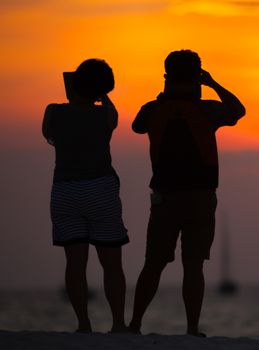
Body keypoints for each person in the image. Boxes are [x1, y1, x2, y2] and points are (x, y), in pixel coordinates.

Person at [128, 50, 245, 336]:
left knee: (153, 264)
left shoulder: (153, 109)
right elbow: (237, 110)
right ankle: (192, 329)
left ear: (167, 76)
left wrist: (164, 96)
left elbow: (136, 126)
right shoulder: (207, 110)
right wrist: (213, 84)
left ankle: (134, 325)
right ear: (197, 76)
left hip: (165, 197)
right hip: (201, 197)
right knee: (193, 266)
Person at [42, 59, 129, 333]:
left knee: (75, 264)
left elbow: (48, 135)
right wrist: (102, 95)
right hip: (100, 189)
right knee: (112, 264)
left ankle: (83, 324)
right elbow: (112, 113)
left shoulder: (53, 112)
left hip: (65, 190)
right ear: (103, 89)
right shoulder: (105, 115)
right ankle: (117, 323)